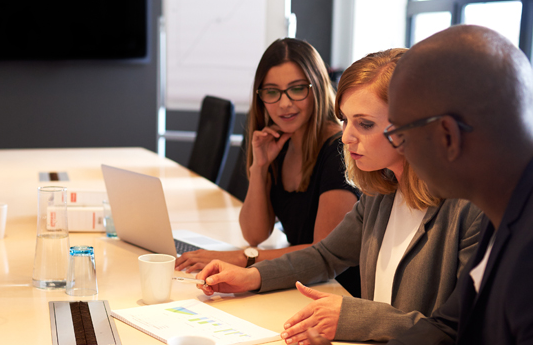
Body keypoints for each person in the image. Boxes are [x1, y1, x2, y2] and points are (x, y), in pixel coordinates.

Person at [319, 25, 533, 345]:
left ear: (447, 136)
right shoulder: (513, 191)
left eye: (402, 135)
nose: (401, 150)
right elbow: (449, 327)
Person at [194, 49, 484, 343]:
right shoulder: (381, 191)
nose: (345, 137)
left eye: (365, 124)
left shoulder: (469, 210)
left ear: (412, 124)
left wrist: (352, 318)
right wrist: (252, 277)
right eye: (345, 120)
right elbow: (326, 254)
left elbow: (458, 331)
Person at [177, 38, 361, 293]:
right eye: (272, 92)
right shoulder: (280, 143)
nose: (284, 103)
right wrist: (260, 167)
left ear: (317, 87)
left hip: (335, 289)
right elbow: (254, 234)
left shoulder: (337, 152)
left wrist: (245, 257)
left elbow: (324, 251)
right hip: (295, 281)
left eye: (297, 89)